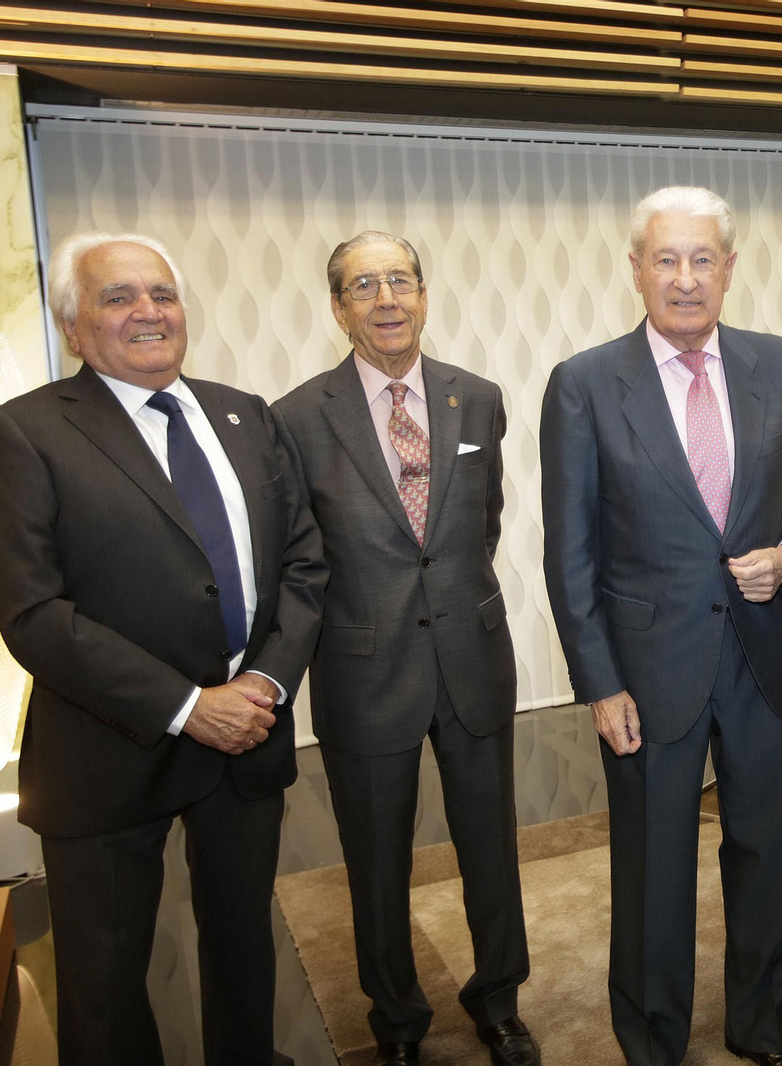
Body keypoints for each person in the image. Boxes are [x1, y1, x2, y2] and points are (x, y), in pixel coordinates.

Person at [0, 233, 326, 1066]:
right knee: (104, 982)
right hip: (107, 746)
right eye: (118, 297)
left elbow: (304, 563)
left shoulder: (246, 413)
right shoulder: (22, 432)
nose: (148, 313)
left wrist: (266, 684)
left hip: (248, 733)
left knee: (244, 948)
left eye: (162, 295)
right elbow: (33, 613)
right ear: (73, 325)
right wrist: (186, 706)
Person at [540, 186, 782, 1066]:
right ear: (636, 270)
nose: (686, 278)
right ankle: (653, 1042)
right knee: (654, 873)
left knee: (769, 857)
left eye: (704, 259)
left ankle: (764, 1029)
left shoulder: (781, 364)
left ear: (730, 269)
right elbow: (571, 551)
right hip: (646, 673)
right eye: (666, 259)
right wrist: (599, 683)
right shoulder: (585, 383)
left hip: (762, 653)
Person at [272, 231, 535, 1066]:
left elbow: (478, 524)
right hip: (363, 670)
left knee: (492, 850)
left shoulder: (477, 398)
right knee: (376, 865)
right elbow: (300, 554)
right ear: (338, 306)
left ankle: (499, 1002)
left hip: (471, 657)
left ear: (424, 293)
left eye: (400, 280)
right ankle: (396, 1022)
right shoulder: (295, 418)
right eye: (363, 285)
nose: (385, 298)